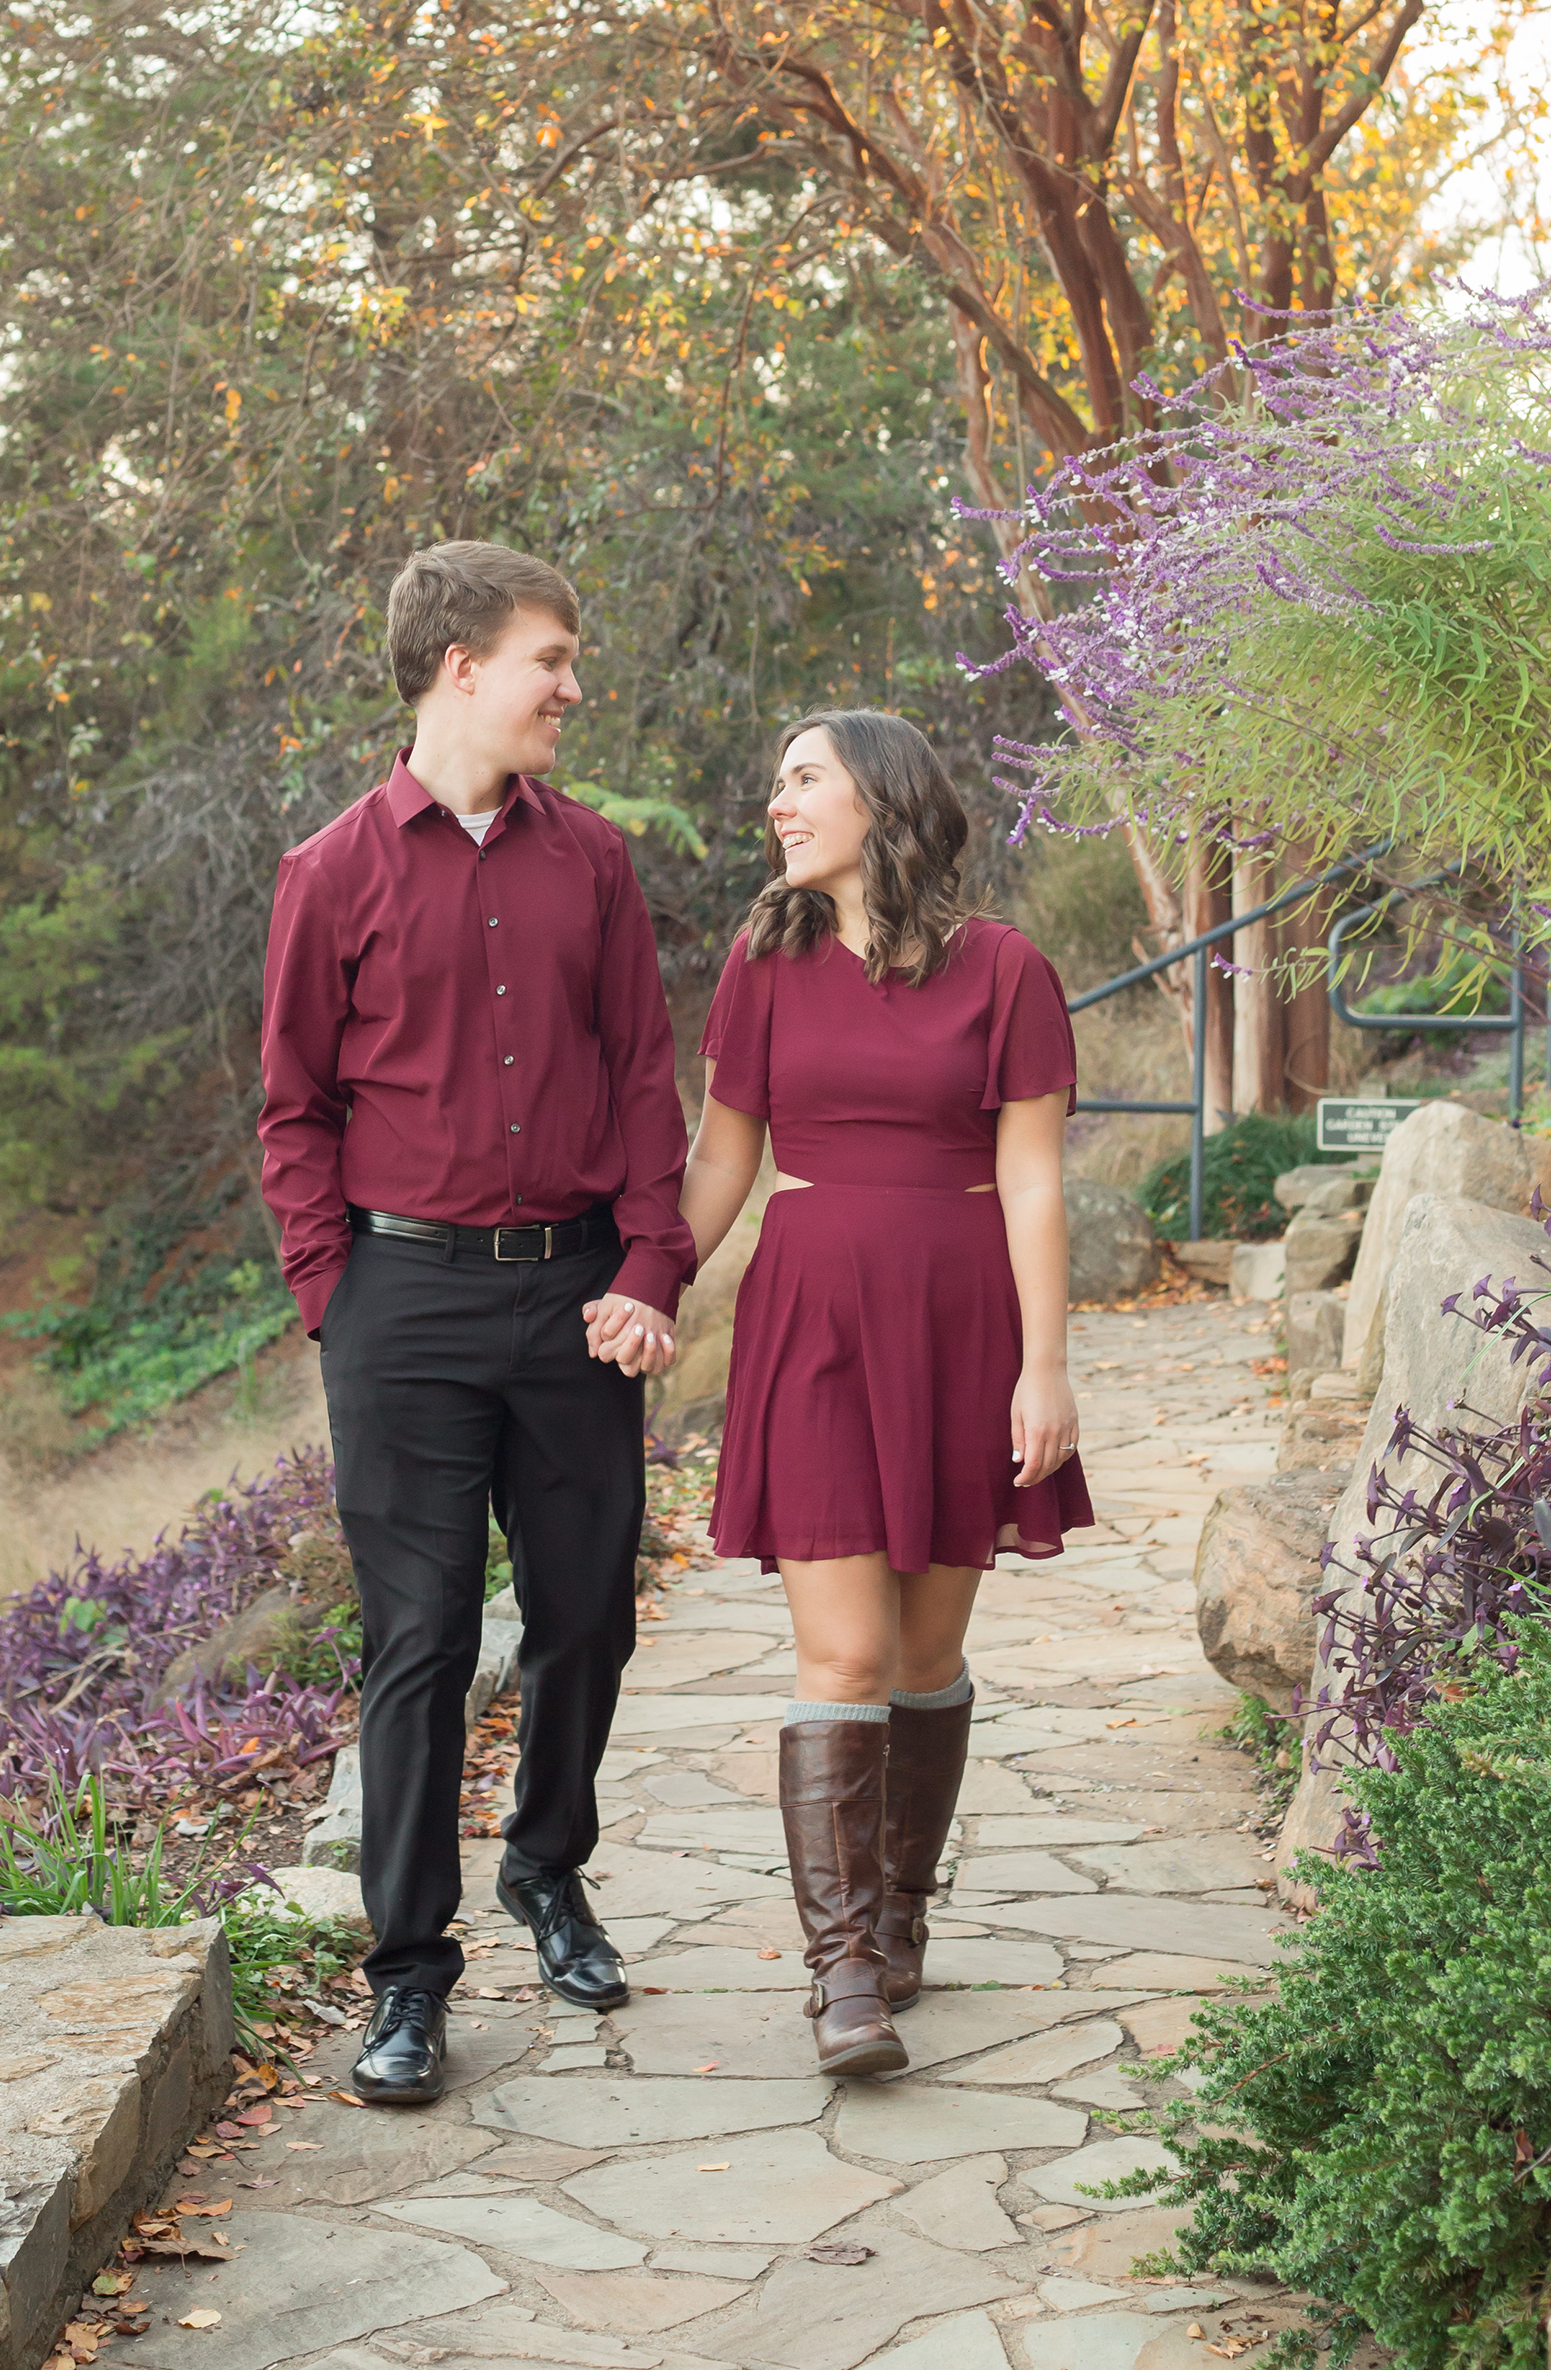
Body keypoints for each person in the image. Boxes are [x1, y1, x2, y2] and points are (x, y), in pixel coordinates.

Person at [258, 541, 693, 2106]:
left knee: (589, 1614)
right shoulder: (331, 875)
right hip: (405, 1306)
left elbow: (647, 1075)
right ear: (460, 666)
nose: (573, 688)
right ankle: (410, 1978)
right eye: (550, 660)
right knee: (423, 1640)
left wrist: (651, 1265)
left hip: (580, 1290)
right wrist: (336, 1296)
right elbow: (293, 1108)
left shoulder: (593, 866)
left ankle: (548, 1869)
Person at [668, 708, 1088, 2076]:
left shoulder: (1008, 972)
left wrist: (1046, 1363)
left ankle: (902, 1915)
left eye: (801, 780)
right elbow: (725, 1154)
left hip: (959, 1321)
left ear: (881, 801)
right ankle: (842, 1971)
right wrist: (647, 1277)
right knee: (842, 1654)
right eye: (776, 781)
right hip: (814, 1317)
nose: (778, 804)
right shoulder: (765, 962)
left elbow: (1031, 1177)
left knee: (921, 1657)